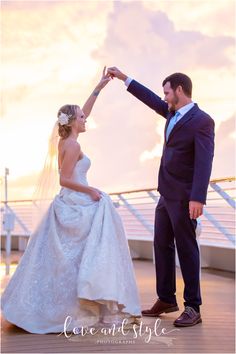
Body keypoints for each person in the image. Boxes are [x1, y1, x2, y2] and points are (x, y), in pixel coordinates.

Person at [1, 68, 141, 334]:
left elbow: (83, 111)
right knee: (90, 249)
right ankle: (83, 305)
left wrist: (99, 88)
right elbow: (64, 179)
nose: (86, 119)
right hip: (76, 200)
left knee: (75, 259)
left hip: (71, 202)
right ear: (73, 122)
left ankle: (78, 303)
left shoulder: (67, 139)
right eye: (81, 117)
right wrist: (91, 192)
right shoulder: (73, 146)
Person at [107, 67, 215, 327]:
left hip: (185, 196)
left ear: (180, 90)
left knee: (187, 249)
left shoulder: (202, 121)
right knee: (161, 245)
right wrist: (124, 78)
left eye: (167, 92)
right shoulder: (172, 112)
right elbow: (150, 99)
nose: (164, 97)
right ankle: (166, 298)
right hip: (166, 194)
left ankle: (193, 306)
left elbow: (204, 162)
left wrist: (197, 197)